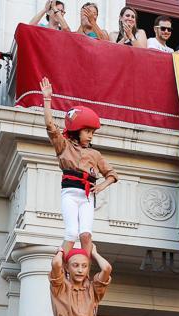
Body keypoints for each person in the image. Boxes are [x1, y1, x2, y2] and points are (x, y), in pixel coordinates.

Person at [39, 77, 118, 257]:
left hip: (87, 196)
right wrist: (47, 100)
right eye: (87, 132)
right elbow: (50, 126)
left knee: (86, 235)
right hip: (70, 194)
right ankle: (58, 265)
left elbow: (111, 174)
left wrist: (102, 185)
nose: (90, 136)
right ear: (77, 130)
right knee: (72, 233)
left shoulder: (95, 154)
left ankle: (83, 272)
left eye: (92, 133)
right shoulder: (64, 146)